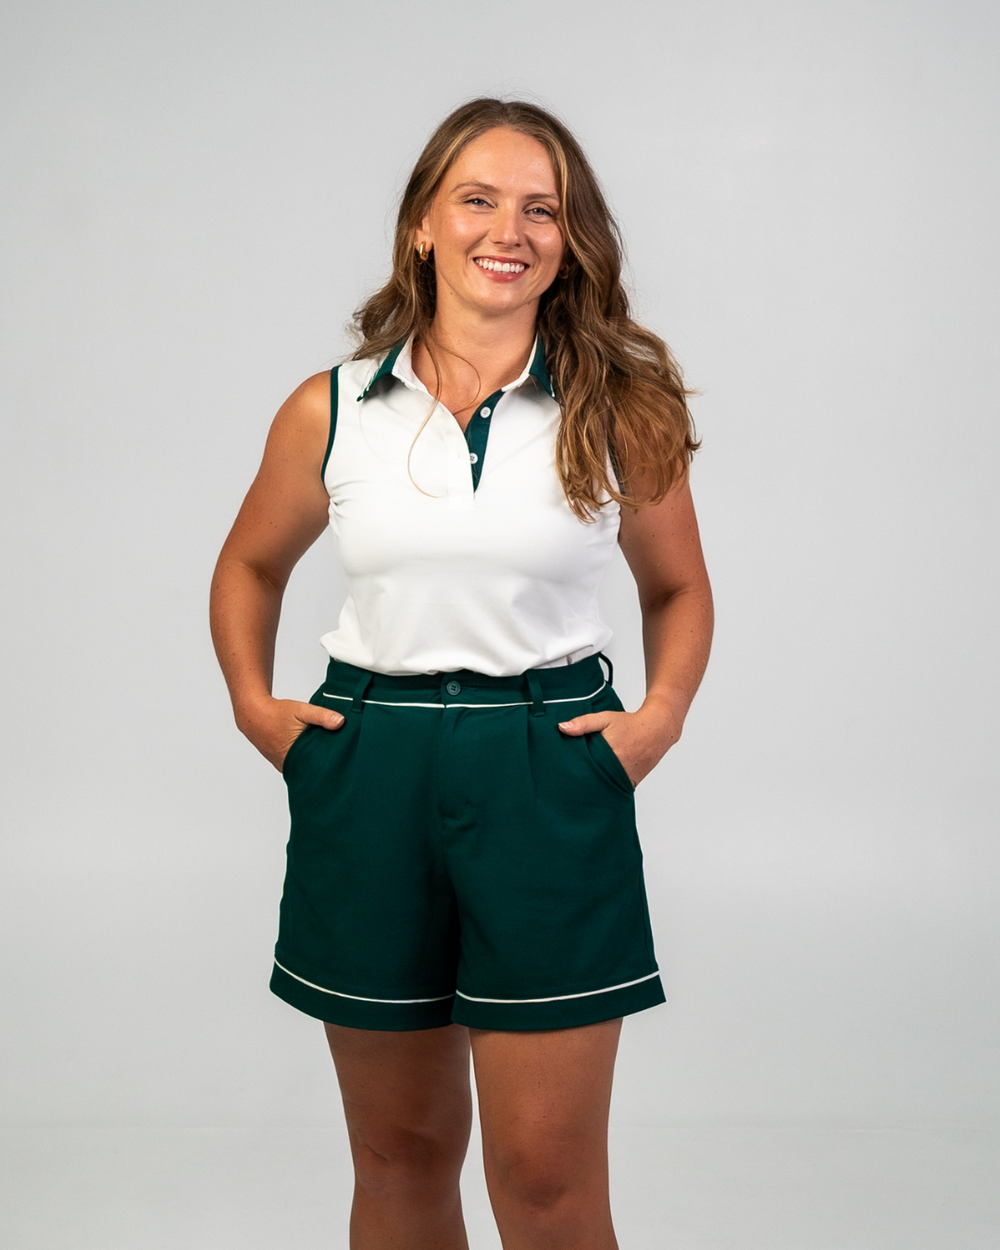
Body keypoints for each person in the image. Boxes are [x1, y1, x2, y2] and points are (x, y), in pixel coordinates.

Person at [210, 97, 713, 1250]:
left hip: (548, 765)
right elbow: (247, 563)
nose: (510, 228)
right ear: (423, 228)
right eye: (477, 198)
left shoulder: (618, 408)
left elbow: (678, 588)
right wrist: (254, 703)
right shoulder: (330, 406)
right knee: (399, 1155)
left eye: (542, 208)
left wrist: (659, 718)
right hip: (368, 767)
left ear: (570, 238)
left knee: (544, 1180)